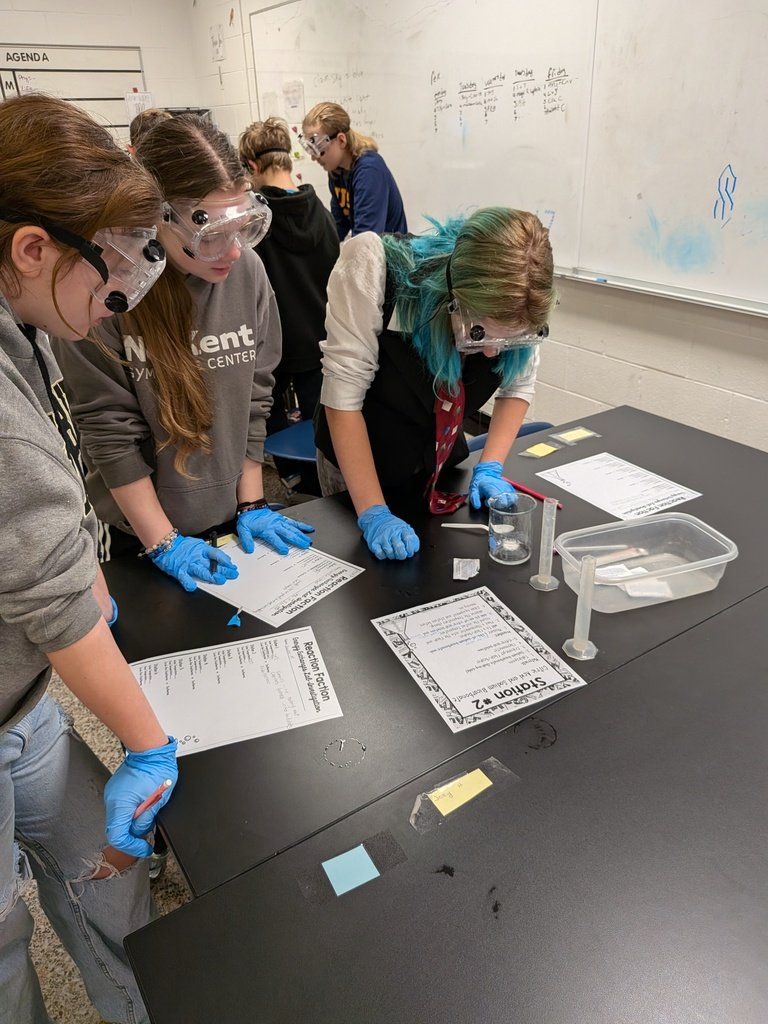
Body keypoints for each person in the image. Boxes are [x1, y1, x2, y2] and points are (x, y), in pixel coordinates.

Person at [0, 92, 178, 1024]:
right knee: (0, 949)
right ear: (33, 247)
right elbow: (44, 588)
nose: (114, 298)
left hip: (23, 700)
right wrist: (148, 744)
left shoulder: (25, 315)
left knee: (105, 874)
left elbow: (44, 490)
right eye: (104, 268)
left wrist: (90, 562)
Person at [54, 114, 315, 588]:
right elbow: (108, 431)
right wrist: (162, 540)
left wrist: (251, 502)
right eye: (210, 234)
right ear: (159, 216)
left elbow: (256, 396)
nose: (231, 251)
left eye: (240, 228)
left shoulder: (247, 272)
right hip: (140, 529)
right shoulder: (105, 290)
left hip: (229, 514)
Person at [314, 208, 555, 560]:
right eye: (479, 333)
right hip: (360, 464)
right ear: (452, 295)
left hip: (437, 465)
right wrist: (373, 513)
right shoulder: (371, 266)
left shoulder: (526, 296)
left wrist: (490, 465)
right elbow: (342, 400)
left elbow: (517, 387)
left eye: (508, 342)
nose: (490, 352)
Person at [239, 116, 340, 495]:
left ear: (251, 166)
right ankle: (321, 488)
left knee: (271, 421)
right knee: (322, 425)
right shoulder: (324, 216)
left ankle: (291, 480)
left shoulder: (253, 225)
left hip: (273, 350)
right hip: (321, 342)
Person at [300, 102, 407, 240]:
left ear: (341, 140)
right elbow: (339, 226)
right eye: (310, 148)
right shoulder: (336, 173)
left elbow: (366, 237)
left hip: (389, 255)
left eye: (319, 149)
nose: (314, 157)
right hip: (370, 250)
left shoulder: (369, 170)